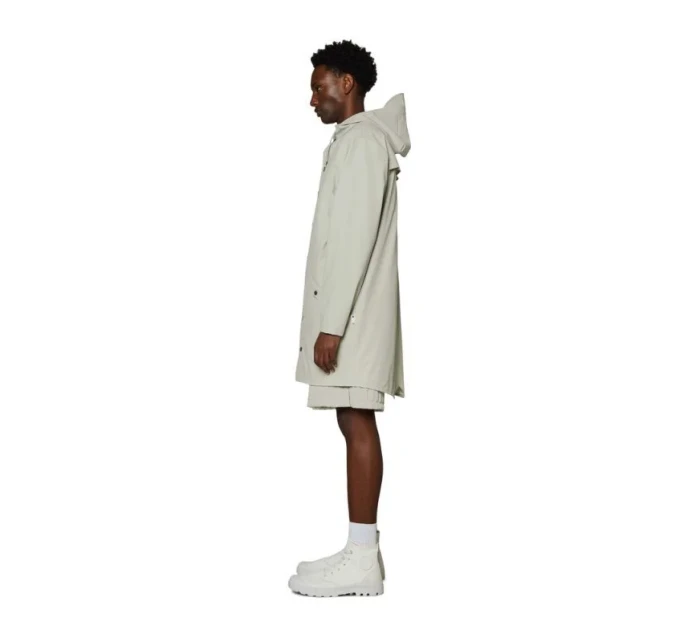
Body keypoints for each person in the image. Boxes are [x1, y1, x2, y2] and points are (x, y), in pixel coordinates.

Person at [288, 40, 411, 598]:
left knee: (358, 423)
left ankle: (362, 559)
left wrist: (332, 324)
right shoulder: (355, 141)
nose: (313, 99)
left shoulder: (361, 142)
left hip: (353, 319)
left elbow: (354, 237)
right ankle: (360, 549)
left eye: (320, 87)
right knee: (351, 421)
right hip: (353, 315)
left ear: (348, 83)